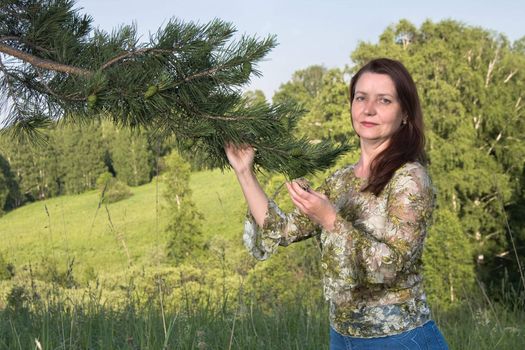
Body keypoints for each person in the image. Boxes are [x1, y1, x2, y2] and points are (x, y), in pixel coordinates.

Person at [225, 58, 449, 350]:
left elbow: (390, 267)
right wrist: (244, 171)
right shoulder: (342, 180)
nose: (369, 109)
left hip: (399, 338)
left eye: (384, 100)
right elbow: (281, 230)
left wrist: (330, 220)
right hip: (342, 337)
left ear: (404, 113)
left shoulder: (410, 179)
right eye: (361, 98)